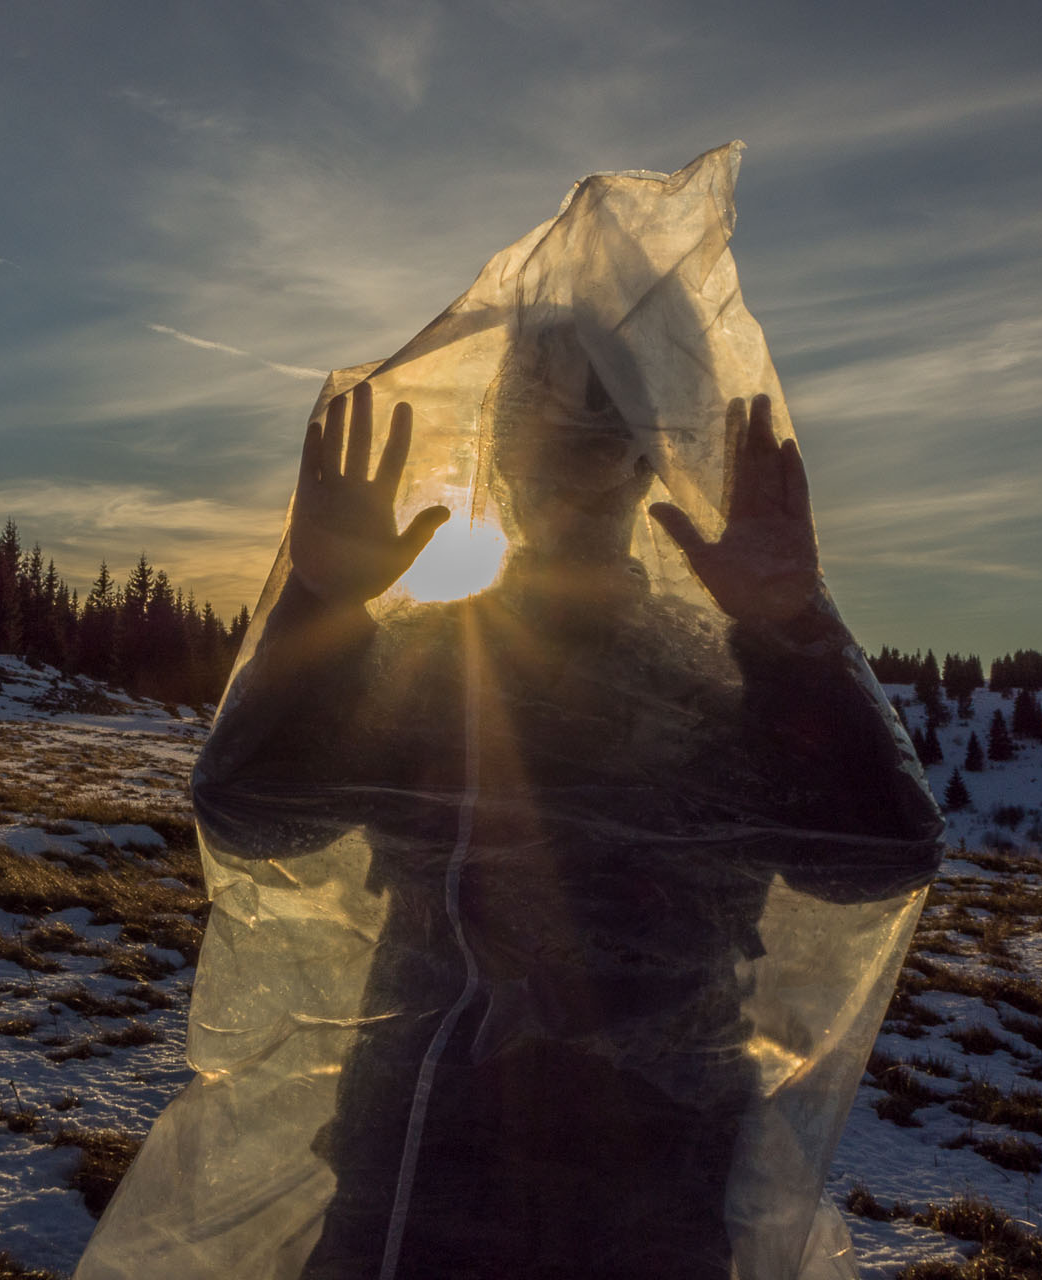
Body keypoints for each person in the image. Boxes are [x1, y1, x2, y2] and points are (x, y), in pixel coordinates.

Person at [190, 347, 941, 1278]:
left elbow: (877, 862)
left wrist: (794, 635)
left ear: (648, 465)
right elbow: (251, 817)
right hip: (426, 1155)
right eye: (549, 437)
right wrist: (320, 606)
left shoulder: (716, 680)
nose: (580, 466)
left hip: (652, 1171)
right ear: (502, 457)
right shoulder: (426, 658)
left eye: (608, 438)